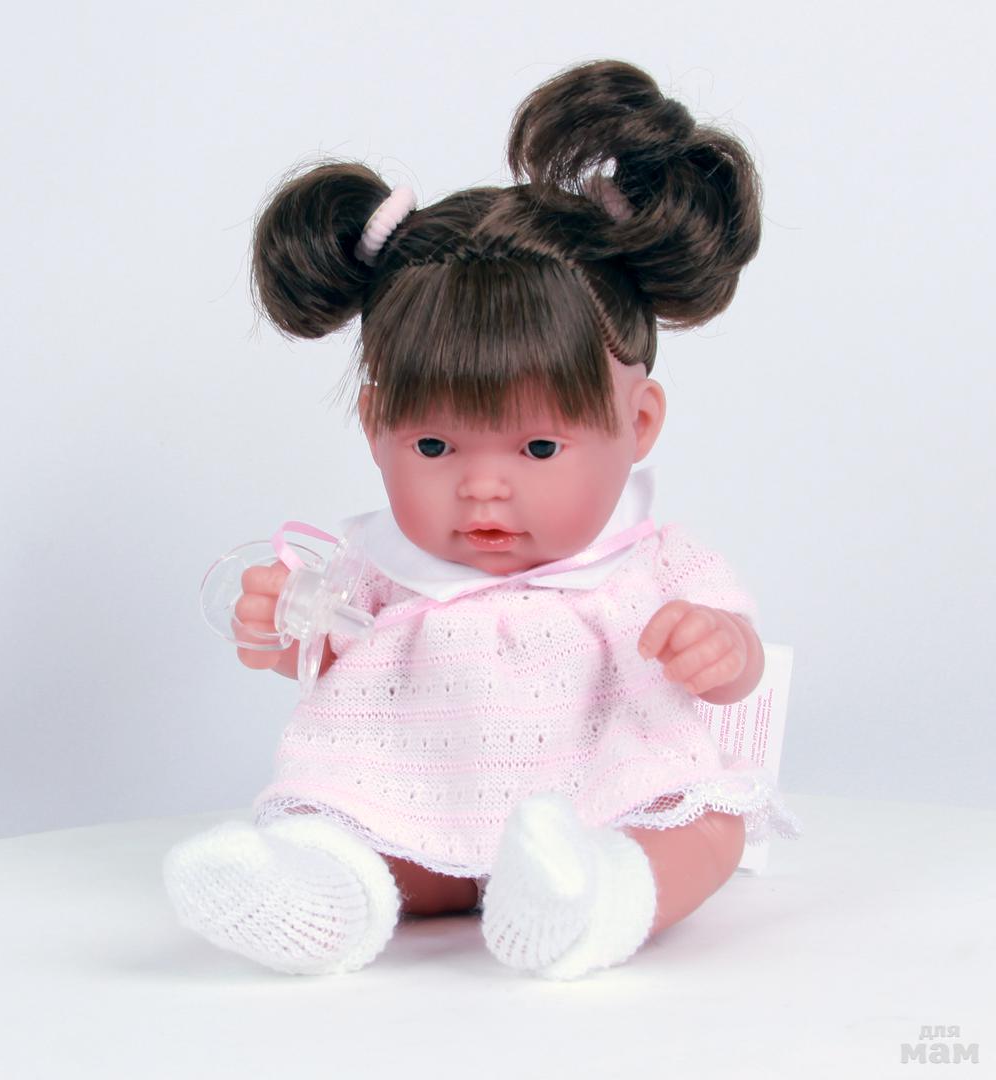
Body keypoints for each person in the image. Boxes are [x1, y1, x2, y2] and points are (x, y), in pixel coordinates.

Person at [164, 58, 802, 981]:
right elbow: (327, 645)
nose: (483, 489)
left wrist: (721, 649)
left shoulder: (647, 564)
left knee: (704, 824)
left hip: (604, 793)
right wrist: (283, 624)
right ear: (375, 425)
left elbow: (738, 661)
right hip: (420, 794)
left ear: (639, 424)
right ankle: (327, 897)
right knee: (354, 826)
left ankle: (597, 895)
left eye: (538, 448)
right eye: (435, 446)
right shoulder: (379, 566)